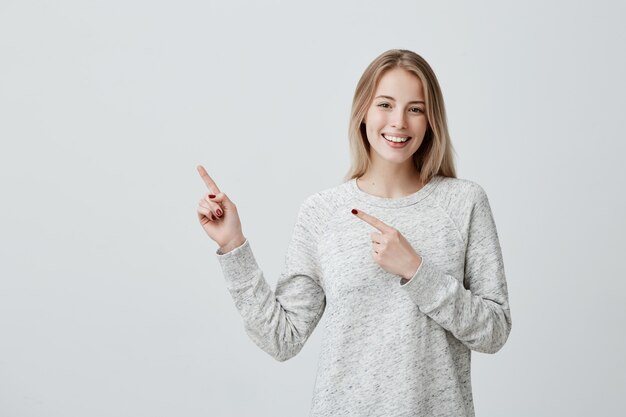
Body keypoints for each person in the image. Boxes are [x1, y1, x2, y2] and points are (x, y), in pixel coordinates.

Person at [196, 49, 512, 417]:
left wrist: (416, 272)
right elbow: (282, 339)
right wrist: (233, 246)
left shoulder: (464, 203)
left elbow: (494, 332)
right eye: (385, 104)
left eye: (415, 108)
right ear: (363, 111)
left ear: (431, 120)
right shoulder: (323, 212)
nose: (399, 122)